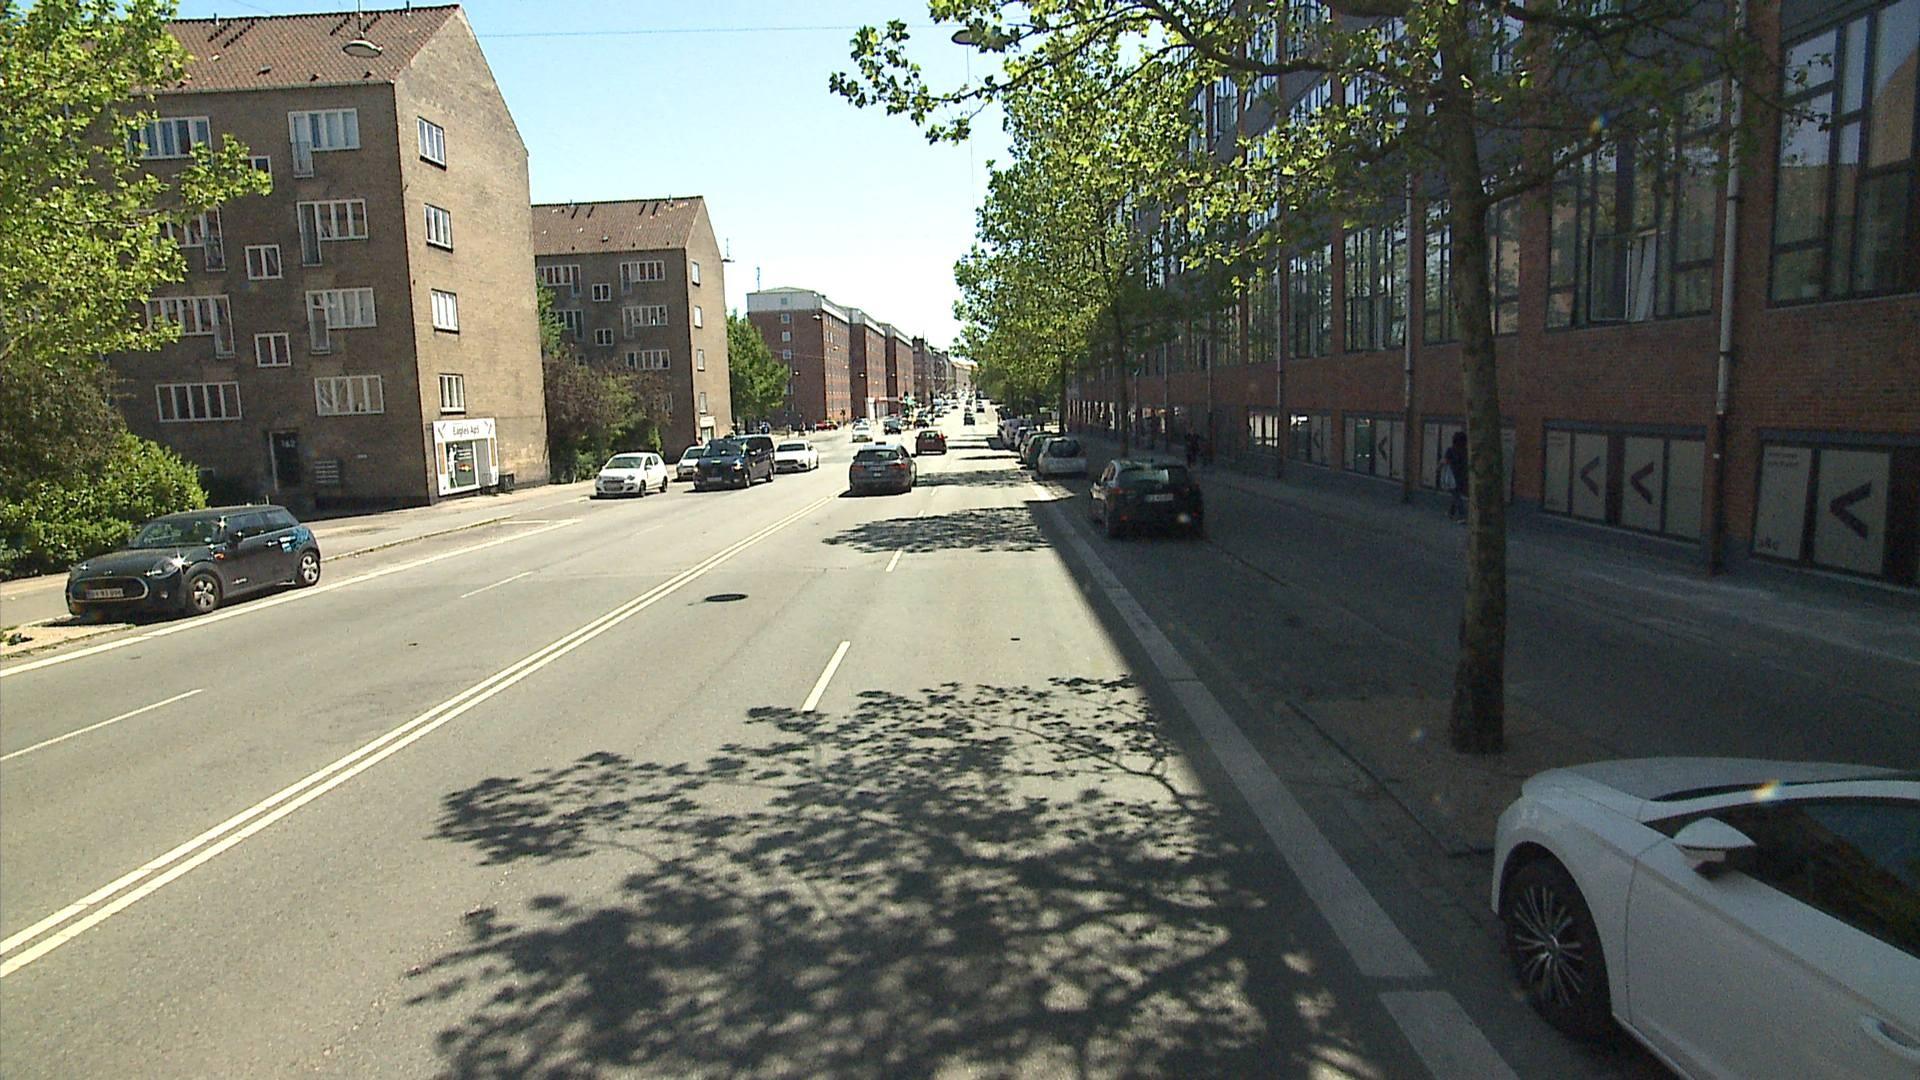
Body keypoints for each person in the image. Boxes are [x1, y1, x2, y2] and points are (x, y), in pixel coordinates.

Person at [1444, 431, 1469, 521]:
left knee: (1456, 496)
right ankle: (1451, 512)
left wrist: (1439, 467)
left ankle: (1462, 515)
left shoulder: (1450, 450)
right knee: (1456, 494)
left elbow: (1446, 461)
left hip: (1453, 476)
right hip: (1463, 476)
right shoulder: (1465, 451)